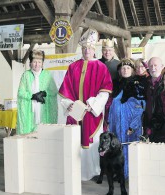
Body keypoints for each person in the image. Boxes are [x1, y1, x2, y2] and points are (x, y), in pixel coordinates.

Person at [59, 29, 113, 181]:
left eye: (89, 48)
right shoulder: (73, 67)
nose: (87, 51)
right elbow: (66, 90)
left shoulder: (101, 68)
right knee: (75, 142)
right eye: (84, 48)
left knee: (94, 143)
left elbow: (105, 93)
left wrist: (91, 104)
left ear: (94, 49)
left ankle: (94, 171)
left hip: (91, 113)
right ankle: (76, 171)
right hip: (76, 113)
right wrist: (69, 104)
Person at [108, 58, 146, 178]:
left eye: (128, 68)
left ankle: (130, 174)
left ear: (133, 70)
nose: (125, 70)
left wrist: (133, 125)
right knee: (116, 147)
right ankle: (119, 173)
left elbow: (140, 107)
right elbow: (111, 105)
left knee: (129, 148)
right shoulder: (115, 84)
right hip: (116, 124)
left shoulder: (137, 85)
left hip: (130, 126)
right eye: (122, 68)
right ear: (119, 71)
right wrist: (109, 121)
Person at [17, 49, 58, 135]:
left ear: (42, 63)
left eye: (39, 62)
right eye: (34, 62)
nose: (37, 64)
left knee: (43, 135)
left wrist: (44, 93)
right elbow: (20, 92)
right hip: (30, 111)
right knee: (29, 136)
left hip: (44, 111)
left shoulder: (47, 75)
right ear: (30, 63)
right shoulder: (26, 75)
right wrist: (33, 96)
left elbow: (54, 91)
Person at [99, 38, 120, 131]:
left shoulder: (119, 64)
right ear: (101, 51)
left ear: (114, 51)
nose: (107, 52)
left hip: (114, 98)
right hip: (99, 97)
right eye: (105, 50)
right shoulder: (97, 63)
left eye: (110, 50)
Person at [142, 57, 165, 139]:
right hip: (148, 122)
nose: (153, 68)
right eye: (151, 66)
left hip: (163, 124)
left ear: (162, 67)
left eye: (155, 65)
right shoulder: (145, 82)